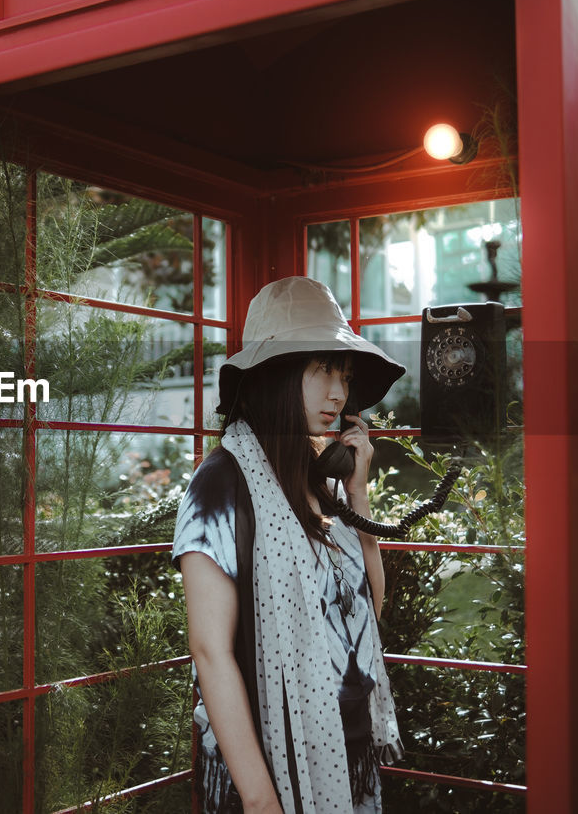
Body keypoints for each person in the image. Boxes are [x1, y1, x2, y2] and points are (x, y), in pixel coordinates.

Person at [173, 276, 406, 814]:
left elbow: (369, 607)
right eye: (323, 370)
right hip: (268, 766)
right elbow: (210, 652)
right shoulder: (221, 484)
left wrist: (358, 492)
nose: (339, 394)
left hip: (344, 751)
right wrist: (261, 803)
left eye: (344, 376)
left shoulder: (319, 480)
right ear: (277, 373)